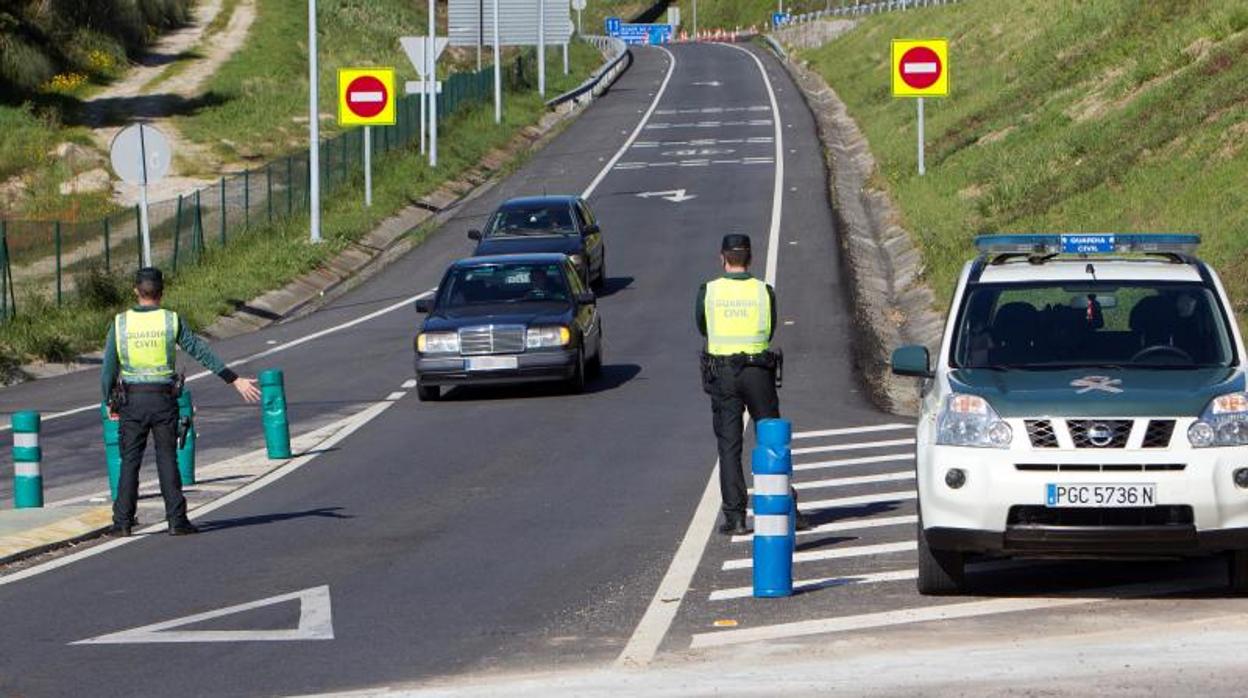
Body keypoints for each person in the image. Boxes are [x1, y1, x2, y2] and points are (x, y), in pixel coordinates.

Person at [102, 268, 261, 537]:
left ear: (135, 291)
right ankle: (177, 521)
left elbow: (108, 368)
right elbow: (200, 351)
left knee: (130, 461)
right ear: (161, 292)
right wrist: (233, 379)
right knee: (167, 458)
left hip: (132, 401)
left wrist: (108, 400)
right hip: (163, 400)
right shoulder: (170, 321)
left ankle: (123, 523)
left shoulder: (120, 324)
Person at [696, 234, 809, 535]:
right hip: (758, 370)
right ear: (750, 259)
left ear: (723, 258)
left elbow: (702, 326)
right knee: (771, 439)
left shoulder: (709, 291)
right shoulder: (763, 291)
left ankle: (735, 517)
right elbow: (770, 329)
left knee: (729, 445)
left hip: (723, 373)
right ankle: (786, 507)